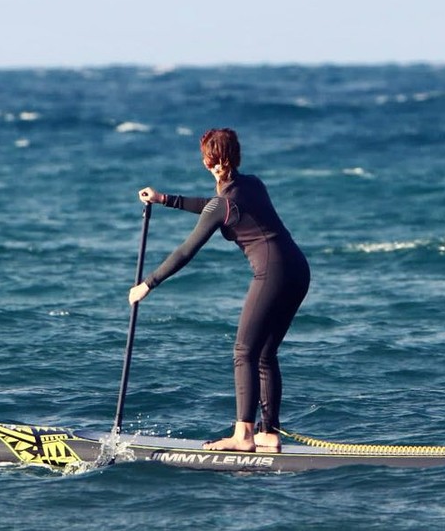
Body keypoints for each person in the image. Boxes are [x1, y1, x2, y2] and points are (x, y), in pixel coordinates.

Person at [128, 128, 311, 452]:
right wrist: (164, 199)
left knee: (244, 352)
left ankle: (243, 436)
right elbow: (212, 206)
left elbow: (186, 250)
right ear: (236, 157)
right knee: (265, 354)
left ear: (206, 162)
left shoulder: (223, 204)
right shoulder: (253, 184)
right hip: (298, 270)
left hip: (272, 274)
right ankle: (269, 433)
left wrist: (148, 283)